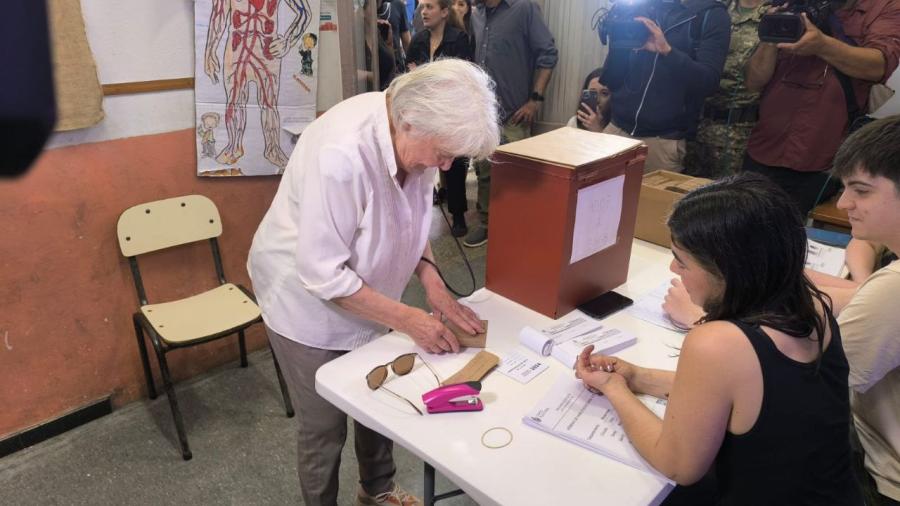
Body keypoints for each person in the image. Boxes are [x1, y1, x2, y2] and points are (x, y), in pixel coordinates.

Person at [247, 59, 500, 506]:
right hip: (304, 300)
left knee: (377, 398)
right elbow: (322, 272)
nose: (445, 164)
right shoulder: (342, 153)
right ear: (408, 122)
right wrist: (409, 319)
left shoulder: (417, 138)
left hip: (369, 291)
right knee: (324, 426)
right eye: (443, 153)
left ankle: (377, 492)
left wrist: (433, 283)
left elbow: (411, 223)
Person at [577, 173, 863, 504]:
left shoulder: (717, 343)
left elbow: (677, 465)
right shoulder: (811, 304)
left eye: (682, 261)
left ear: (726, 271)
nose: (673, 269)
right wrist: (638, 376)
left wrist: (615, 389)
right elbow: (742, 393)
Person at [742, 0, 900, 216]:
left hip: (822, 157)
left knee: (798, 235)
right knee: (747, 223)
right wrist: (771, 33)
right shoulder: (796, 4)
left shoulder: (883, 7)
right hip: (765, 146)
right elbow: (753, 82)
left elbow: (879, 66)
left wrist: (822, 45)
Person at [827, 115, 900, 506]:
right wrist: (862, 287)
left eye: (861, 190)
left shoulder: (893, 290)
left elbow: (798, 384)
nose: (843, 204)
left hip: (882, 481)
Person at [463, 0, 558, 248]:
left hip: (515, 113)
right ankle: (487, 223)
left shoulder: (524, 9)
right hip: (484, 113)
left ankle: (519, 227)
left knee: (518, 176)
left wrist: (535, 100)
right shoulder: (477, 14)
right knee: (484, 173)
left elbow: (548, 53)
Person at [600, 0, 731, 174]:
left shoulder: (710, 14)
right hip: (616, 129)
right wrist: (617, 39)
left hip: (662, 141)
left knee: (653, 201)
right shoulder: (639, 6)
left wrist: (667, 51)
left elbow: (708, 82)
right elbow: (612, 79)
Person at [202, 0, 312, 170]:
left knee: (269, 103)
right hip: (237, 47)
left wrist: (288, 41)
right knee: (234, 100)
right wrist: (210, 51)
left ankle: (273, 149)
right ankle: (234, 147)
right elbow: (219, 14)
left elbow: (304, 12)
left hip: (267, 49)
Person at [406, 0, 474, 236]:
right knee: (422, 164)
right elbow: (409, 77)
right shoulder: (417, 41)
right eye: (422, 7)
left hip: (451, 114)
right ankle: (419, 214)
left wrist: (425, 79)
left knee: (454, 165)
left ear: (445, 12)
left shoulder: (459, 40)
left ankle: (458, 214)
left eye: (430, 7)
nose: (424, 12)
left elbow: (461, 80)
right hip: (424, 115)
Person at [683, 0, 766, 178]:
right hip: (695, 120)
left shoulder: (774, 15)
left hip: (739, 131)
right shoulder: (711, 7)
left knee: (726, 198)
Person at [567, 68, 612, 132]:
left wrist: (598, 130)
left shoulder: (618, 127)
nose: (597, 100)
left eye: (604, 93)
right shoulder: (574, 122)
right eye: (592, 93)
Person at [380, 0, 412, 72]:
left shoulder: (398, 5)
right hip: (372, 64)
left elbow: (406, 42)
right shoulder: (365, 7)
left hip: (395, 65)